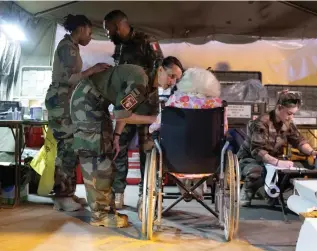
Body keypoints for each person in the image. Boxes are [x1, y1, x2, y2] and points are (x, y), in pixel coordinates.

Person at [70, 59, 183, 227]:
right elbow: (122, 114)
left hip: (96, 103)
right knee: (97, 157)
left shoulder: (148, 86)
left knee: (106, 155)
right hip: (86, 103)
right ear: (160, 70)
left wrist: (116, 135)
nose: (172, 82)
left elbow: (124, 110)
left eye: (176, 79)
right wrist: (157, 119)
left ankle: (105, 210)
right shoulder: (140, 81)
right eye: (171, 76)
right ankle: (99, 214)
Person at [103, 10, 172, 209]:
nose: (108, 34)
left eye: (109, 30)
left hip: (145, 106)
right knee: (119, 147)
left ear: (118, 26)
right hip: (125, 104)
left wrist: (137, 85)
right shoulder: (120, 47)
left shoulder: (147, 41)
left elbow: (160, 71)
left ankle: (146, 194)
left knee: (147, 151)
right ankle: (118, 193)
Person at [45, 14, 110, 211]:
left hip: (65, 102)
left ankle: (68, 193)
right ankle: (61, 196)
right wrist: (93, 70)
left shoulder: (71, 47)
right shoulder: (67, 47)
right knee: (67, 147)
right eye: (89, 33)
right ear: (81, 29)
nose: (90, 37)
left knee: (71, 146)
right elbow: (69, 79)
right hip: (61, 101)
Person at [149, 67, 228, 201]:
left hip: (175, 161)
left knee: (170, 145)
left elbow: (156, 126)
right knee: (207, 146)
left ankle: (185, 189)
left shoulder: (175, 101)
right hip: (207, 161)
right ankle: (197, 189)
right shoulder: (217, 104)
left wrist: (152, 130)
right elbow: (224, 131)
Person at [237, 90, 317, 207]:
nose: (291, 117)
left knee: (294, 172)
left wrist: (313, 152)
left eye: (294, 114)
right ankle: (248, 191)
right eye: (289, 113)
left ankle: (270, 193)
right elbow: (257, 151)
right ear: (279, 108)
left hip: (272, 161)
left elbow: (299, 141)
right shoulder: (262, 123)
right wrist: (278, 162)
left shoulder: (287, 123)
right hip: (250, 160)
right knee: (257, 172)